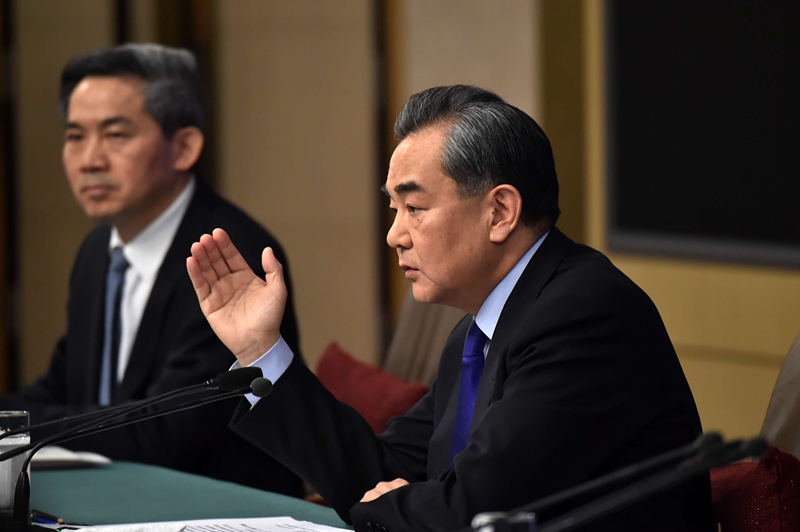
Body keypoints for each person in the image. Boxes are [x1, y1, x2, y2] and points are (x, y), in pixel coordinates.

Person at [187, 85, 716, 530]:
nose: (394, 235)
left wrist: (383, 509)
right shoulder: (477, 332)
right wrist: (261, 349)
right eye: (393, 209)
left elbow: (472, 513)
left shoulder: (584, 317)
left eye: (414, 207)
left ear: (500, 211)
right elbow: (385, 470)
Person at [0, 43, 303, 496]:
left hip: (219, 507)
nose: (89, 160)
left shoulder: (228, 254)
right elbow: (64, 388)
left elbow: (162, 432)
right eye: (75, 136)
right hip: (113, 495)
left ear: (183, 147)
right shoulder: (97, 251)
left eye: (115, 135)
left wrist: (18, 426)